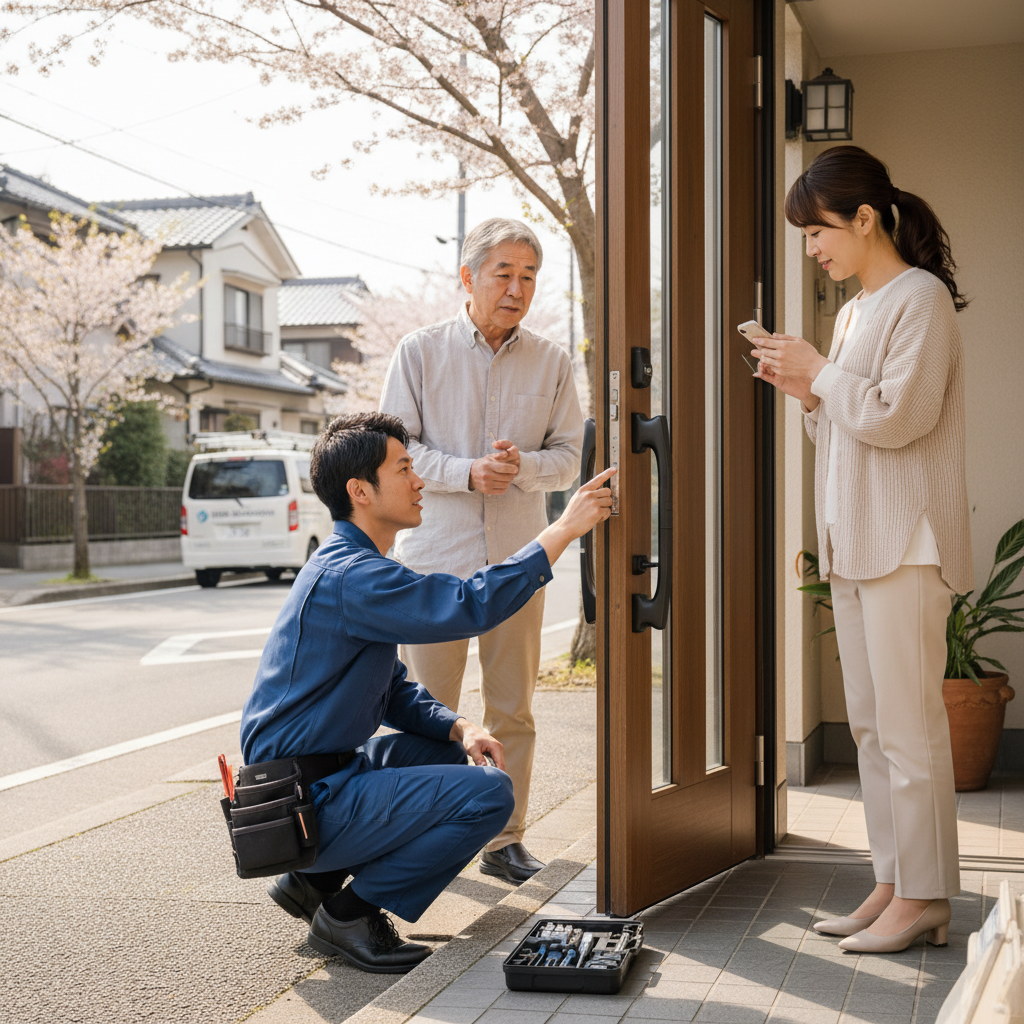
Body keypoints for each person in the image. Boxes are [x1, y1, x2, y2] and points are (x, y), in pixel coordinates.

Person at [240, 412, 613, 974]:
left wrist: (463, 728)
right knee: (489, 795)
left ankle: (311, 881)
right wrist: (561, 529)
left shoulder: (354, 567)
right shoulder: (353, 576)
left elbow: (390, 690)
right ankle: (347, 912)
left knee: (453, 753)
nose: (419, 482)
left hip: (316, 781)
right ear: (360, 491)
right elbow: (466, 604)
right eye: (405, 469)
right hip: (303, 802)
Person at [752, 146, 971, 954]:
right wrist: (808, 390)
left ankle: (925, 898)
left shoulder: (923, 300)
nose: (813, 249)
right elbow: (848, 422)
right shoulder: (851, 314)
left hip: (907, 539)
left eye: (818, 232)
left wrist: (822, 377)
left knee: (910, 729)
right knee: (876, 728)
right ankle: (893, 883)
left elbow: (899, 418)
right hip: (855, 538)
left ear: (866, 218)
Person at [379, 217, 584, 885]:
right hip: (434, 560)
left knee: (512, 708)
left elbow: (569, 459)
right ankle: (427, 839)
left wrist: (519, 466)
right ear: (466, 278)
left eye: (529, 276)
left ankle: (505, 839)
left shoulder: (552, 361)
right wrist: (465, 471)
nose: (517, 288)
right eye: (504, 273)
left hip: (517, 562)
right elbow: (397, 452)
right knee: (427, 713)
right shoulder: (418, 351)